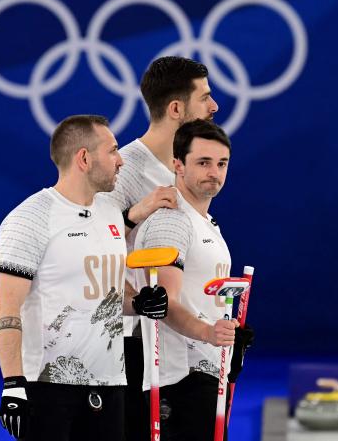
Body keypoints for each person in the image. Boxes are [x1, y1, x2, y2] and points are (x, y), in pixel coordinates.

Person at [0, 115, 168, 441]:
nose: (121, 161)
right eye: (113, 151)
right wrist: (13, 384)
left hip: (111, 382)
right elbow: (5, 306)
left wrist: (141, 303)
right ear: (84, 159)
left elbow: (107, 296)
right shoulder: (30, 218)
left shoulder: (110, 213)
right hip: (48, 387)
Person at [106, 56, 221, 441]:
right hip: (132, 347)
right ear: (176, 109)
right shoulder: (122, 171)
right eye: (204, 97)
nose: (214, 106)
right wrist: (133, 214)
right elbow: (85, 249)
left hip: (181, 341)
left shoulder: (187, 165)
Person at [134, 119, 252, 441]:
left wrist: (228, 337)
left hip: (208, 374)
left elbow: (202, 300)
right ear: (178, 165)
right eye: (203, 162)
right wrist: (208, 332)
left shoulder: (206, 223)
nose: (214, 172)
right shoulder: (172, 222)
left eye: (221, 163)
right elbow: (164, 303)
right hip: (182, 380)